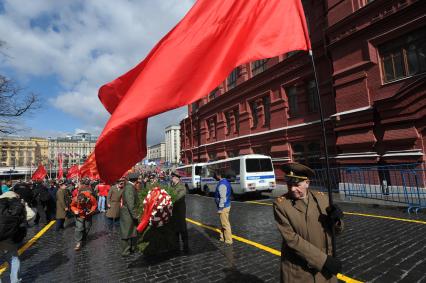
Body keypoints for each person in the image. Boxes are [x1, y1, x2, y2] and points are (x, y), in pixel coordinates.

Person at [273, 162, 344, 283]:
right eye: (289, 184)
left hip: (325, 272)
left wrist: (337, 221)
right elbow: (292, 240)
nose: (292, 189)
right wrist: (323, 260)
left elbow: (336, 231)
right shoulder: (281, 205)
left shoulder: (322, 198)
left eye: (296, 184)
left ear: (307, 183)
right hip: (300, 272)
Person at [0, 191, 35, 283]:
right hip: (8, 239)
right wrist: (25, 205)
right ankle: (15, 280)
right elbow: (31, 215)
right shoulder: (17, 206)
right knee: (13, 259)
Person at [70, 184, 97, 251]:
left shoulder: (91, 198)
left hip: (88, 214)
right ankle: (78, 242)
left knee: (87, 227)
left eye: (82, 202)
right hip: (79, 215)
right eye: (80, 202)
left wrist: (91, 211)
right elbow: (72, 206)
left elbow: (94, 205)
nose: (81, 203)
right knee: (79, 228)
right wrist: (75, 210)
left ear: (85, 199)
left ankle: (83, 238)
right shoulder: (75, 199)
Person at [169, 172, 189, 253]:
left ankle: (185, 245)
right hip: (173, 211)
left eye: (172, 177)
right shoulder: (172, 186)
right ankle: (176, 245)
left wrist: (169, 199)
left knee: (182, 228)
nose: (171, 179)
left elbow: (178, 197)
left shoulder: (182, 187)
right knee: (175, 228)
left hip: (180, 211)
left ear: (176, 178)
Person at [119, 177, 139, 257]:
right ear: (135, 180)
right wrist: (135, 215)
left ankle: (132, 248)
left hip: (128, 213)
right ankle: (125, 251)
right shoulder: (129, 188)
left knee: (132, 231)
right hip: (128, 214)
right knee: (126, 232)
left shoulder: (129, 186)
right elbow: (130, 203)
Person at [214, 172, 233, 245]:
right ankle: (222, 237)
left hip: (224, 207)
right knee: (223, 223)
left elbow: (222, 197)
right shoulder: (226, 182)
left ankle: (228, 240)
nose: (215, 176)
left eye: (215, 175)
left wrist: (220, 208)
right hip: (226, 205)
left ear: (219, 175)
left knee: (225, 224)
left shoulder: (222, 184)